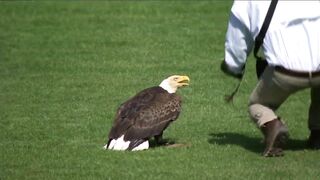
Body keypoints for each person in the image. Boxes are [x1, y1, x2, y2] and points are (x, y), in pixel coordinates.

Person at [220, 1, 320, 157]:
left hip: (285, 72)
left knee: (257, 104)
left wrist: (234, 66)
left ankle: (273, 126)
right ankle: (318, 134)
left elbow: (237, 39)